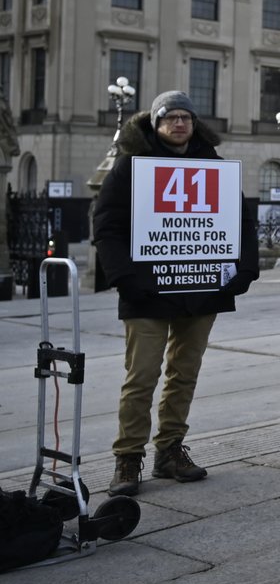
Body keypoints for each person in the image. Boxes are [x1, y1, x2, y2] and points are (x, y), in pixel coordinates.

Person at [95, 90, 259, 497]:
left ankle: (169, 449)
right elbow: (107, 226)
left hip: (201, 289)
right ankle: (127, 457)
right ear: (156, 123)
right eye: (170, 117)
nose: (179, 123)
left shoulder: (212, 164)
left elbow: (241, 222)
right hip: (146, 290)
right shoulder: (130, 166)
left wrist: (245, 270)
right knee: (141, 377)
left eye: (186, 116)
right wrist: (124, 279)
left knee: (184, 374)